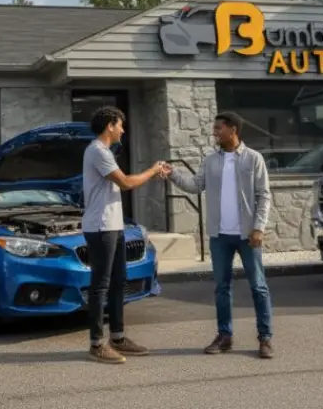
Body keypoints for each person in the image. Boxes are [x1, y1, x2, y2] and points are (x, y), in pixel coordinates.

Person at [162, 111, 275, 359]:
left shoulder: (253, 158)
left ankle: (265, 338)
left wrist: (258, 227)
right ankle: (225, 337)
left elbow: (264, 195)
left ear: (233, 129)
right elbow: (195, 185)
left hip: (248, 235)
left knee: (258, 286)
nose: (214, 133)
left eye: (218, 129)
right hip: (219, 236)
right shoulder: (211, 160)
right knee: (222, 288)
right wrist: (173, 173)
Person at [82, 106, 167, 365]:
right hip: (100, 226)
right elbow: (126, 182)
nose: (123, 130)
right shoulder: (97, 150)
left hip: (113, 225)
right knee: (101, 285)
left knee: (119, 281)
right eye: (120, 125)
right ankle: (97, 344)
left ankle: (117, 338)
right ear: (110, 125)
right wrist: (153, 170)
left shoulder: (104, 151)